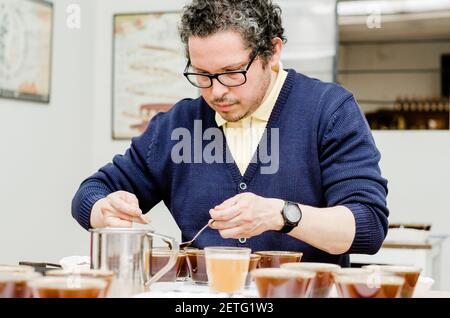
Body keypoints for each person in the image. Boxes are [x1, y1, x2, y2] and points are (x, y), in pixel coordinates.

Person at [72, 0, 389, 266]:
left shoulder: (329, 110)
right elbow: (90, 192)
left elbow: (368, 226)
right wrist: (104, 210)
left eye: (231, 73)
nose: (216, 92)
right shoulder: (177, 126)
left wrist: (282, 214)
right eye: (203, 75)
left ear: (273, 52)